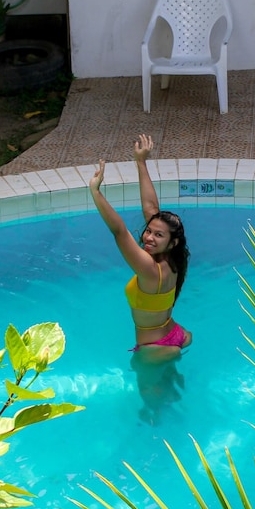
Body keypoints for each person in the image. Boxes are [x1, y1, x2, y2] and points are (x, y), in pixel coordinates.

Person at [89, 133, 193, 363]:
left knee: (153, 400)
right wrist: (141, 162)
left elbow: (119, 232)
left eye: (158, 235)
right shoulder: (174, 259)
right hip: (176, 334)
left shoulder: (149, 268)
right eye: (149, 231)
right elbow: (151, 208)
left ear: (172, 241)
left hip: (154, 349)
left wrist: (96, 193)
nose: (149, 238)